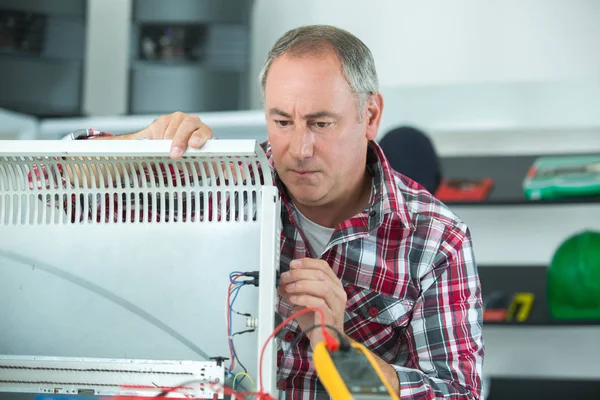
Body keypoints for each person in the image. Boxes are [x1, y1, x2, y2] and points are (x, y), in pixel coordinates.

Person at [66, 25, 484, 399]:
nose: (300, 150)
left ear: (369, 115)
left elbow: (457, 394)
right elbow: (49, 191)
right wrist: (139, 147)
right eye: (282, 122)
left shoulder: (435, 241)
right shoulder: (222, 185)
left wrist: (337, 347)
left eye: (321, 124)